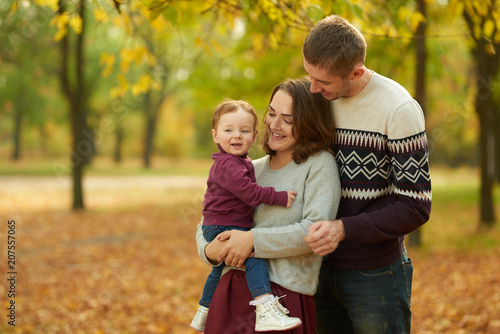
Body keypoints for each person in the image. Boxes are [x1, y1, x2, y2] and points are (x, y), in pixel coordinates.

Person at [301, 15, 432, 333]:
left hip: (374, 274)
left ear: (356, 72)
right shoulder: (317, 99)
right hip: (313, 268)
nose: (313, 88)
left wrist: (343, 229)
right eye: (309, 76)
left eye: (324, 82)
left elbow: (415, 206)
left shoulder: (398, 109)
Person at [195, 77, 341, 334]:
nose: (274, 124)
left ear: (308, 122)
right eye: (272, 113)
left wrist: (252, 240)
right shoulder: (251, 167)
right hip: (229, 291)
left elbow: (315, 231)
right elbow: (211, 218)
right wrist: (208, 251)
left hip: (283, 298)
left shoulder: (318, 165)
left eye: (288, 119)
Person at [190, 99, 301, 332]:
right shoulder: (229, 165)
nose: (236, 136)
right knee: (255, 254)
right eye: (228, 130)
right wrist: (277, 197)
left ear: (254, 135)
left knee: (218, 270)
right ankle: (264, 307)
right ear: (215, 135)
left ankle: (204, 311)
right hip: (224, 225)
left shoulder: (238, 162)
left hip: (218, 224)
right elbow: (249, 194)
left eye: (244, 130)